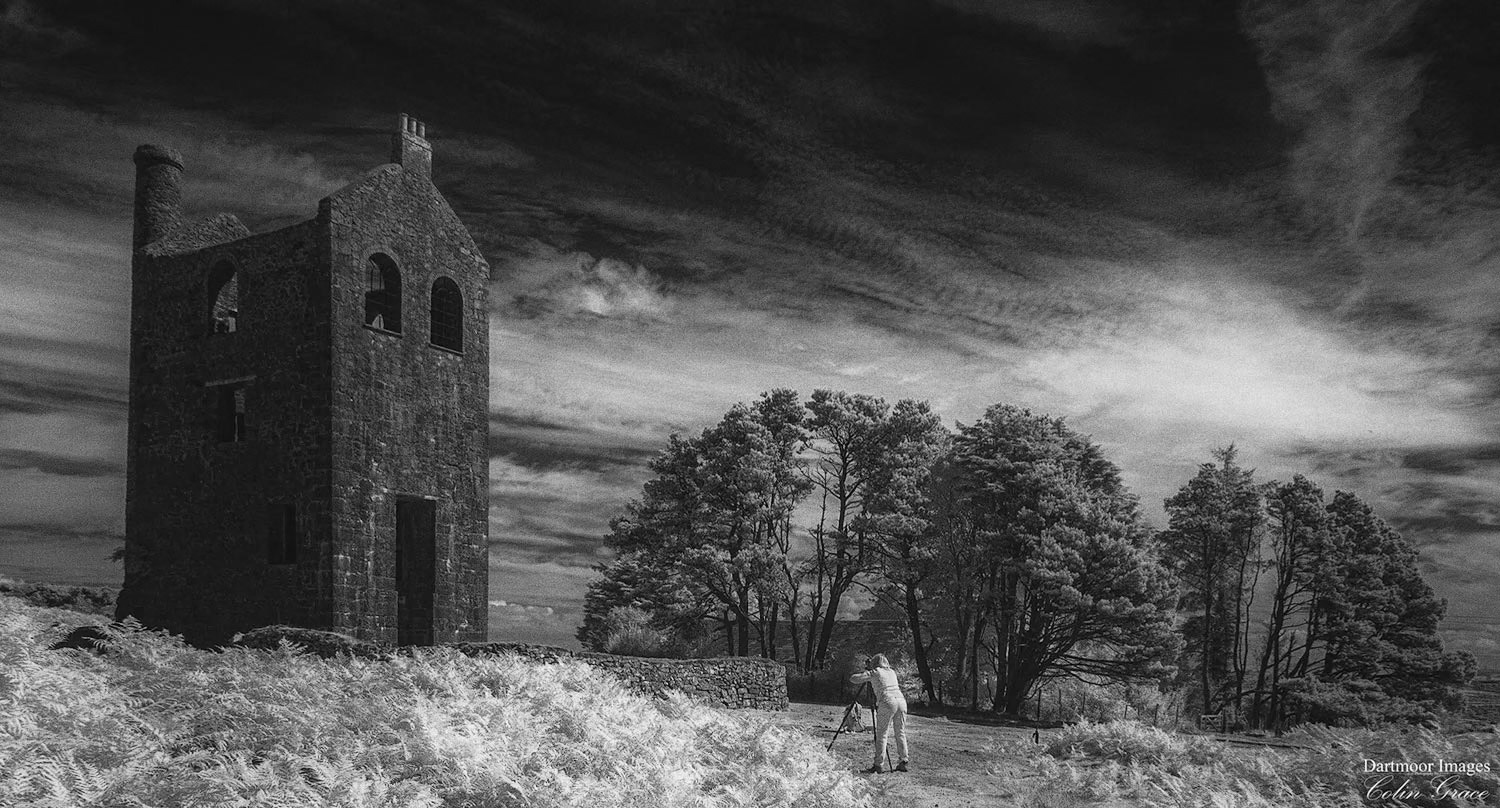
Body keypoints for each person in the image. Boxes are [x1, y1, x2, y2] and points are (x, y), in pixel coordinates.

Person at [848, 653, 908, 774]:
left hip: (887, 701)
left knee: (882, 733)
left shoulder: (875, 672)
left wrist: (867, 672)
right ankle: (903, 760)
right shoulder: (892, 672)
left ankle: (878, 764)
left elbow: (853, 679)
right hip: (901, 701)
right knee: (900, 732)